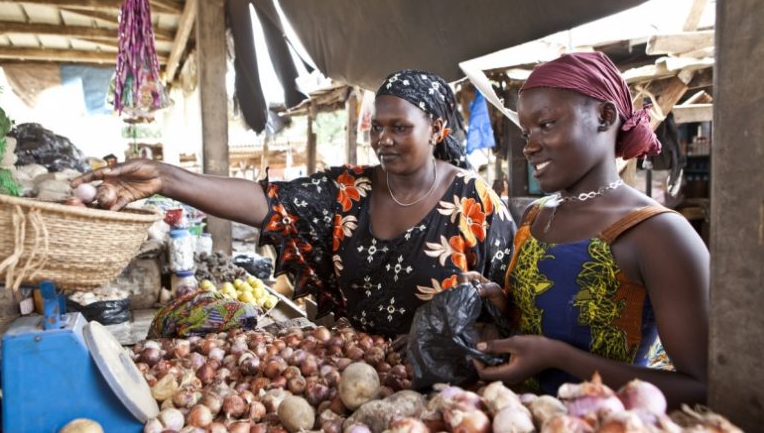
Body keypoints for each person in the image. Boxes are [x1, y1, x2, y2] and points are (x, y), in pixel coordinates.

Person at [72, 69, 515, 338]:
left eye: (399, 127)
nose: (383, 140)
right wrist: (165, 178)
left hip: (446, 391)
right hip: (354, 375)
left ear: (436, 128)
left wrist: (457, 336)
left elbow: (506, 306)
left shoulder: (475, 204)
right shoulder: (348, 192)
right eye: (377, 127)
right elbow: (266, 202)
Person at [471, 52, 709, 409]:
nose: (530, 146)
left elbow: (702, 386)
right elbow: (545, 321)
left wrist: (559, 357)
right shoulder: (535, 217)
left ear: (605, 116)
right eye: (526, 132)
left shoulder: (657, 232)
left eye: (547, 124)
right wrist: (502, 311)